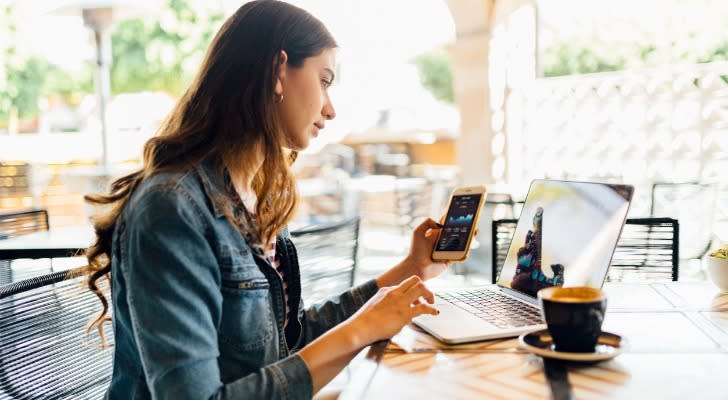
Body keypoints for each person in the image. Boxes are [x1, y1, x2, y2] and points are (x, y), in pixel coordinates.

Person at [83, 1, 450, 399]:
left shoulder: (256, 197)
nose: (330, 108)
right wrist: (362, 329)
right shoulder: (172, 208)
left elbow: (289, 340)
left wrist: (413, 268)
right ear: (278, 70)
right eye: (324, 80)